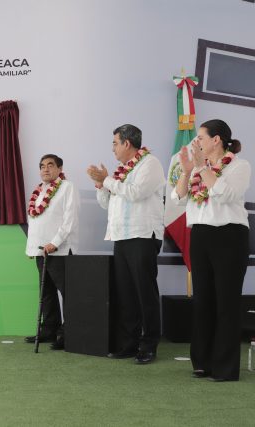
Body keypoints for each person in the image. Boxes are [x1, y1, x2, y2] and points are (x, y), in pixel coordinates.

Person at [172, 119, 250, 381]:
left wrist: (202, 167)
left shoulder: (239, 166)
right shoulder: (197, 169)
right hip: (201, 234)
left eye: (201, 138)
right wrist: (186, 171)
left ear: (216, 140)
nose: (197, 143)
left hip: (229, 235)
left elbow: (224, 193)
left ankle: (225, 368)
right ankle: (202, 362)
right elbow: (178, 196)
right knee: (203, 299)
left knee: (226, 301)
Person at [87, 124, 165, 364]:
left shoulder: (150, 163)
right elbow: (106, 204)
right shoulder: (121, 170)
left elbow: (137, 193)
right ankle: (129, 343)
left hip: (143, 235)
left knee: (144, 292)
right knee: (126, 294)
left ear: (127, 144)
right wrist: (101, 184)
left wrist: (108, 179)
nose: (112, 148)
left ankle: (149, 345)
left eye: (114, 143)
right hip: (121, 236)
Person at [23, 154, 79, 350]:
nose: (45, 169)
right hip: (41, 251)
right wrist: (32, 247)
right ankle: (48, 330)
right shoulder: (38, 191)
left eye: (50, 165)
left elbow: (69, 220)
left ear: (59, 168)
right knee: (46, 293)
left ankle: (67, 333)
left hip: (60, 250)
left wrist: (54, 243)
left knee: (68, 293)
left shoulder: (67, 187)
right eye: (42, 166)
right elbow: (35, 222)